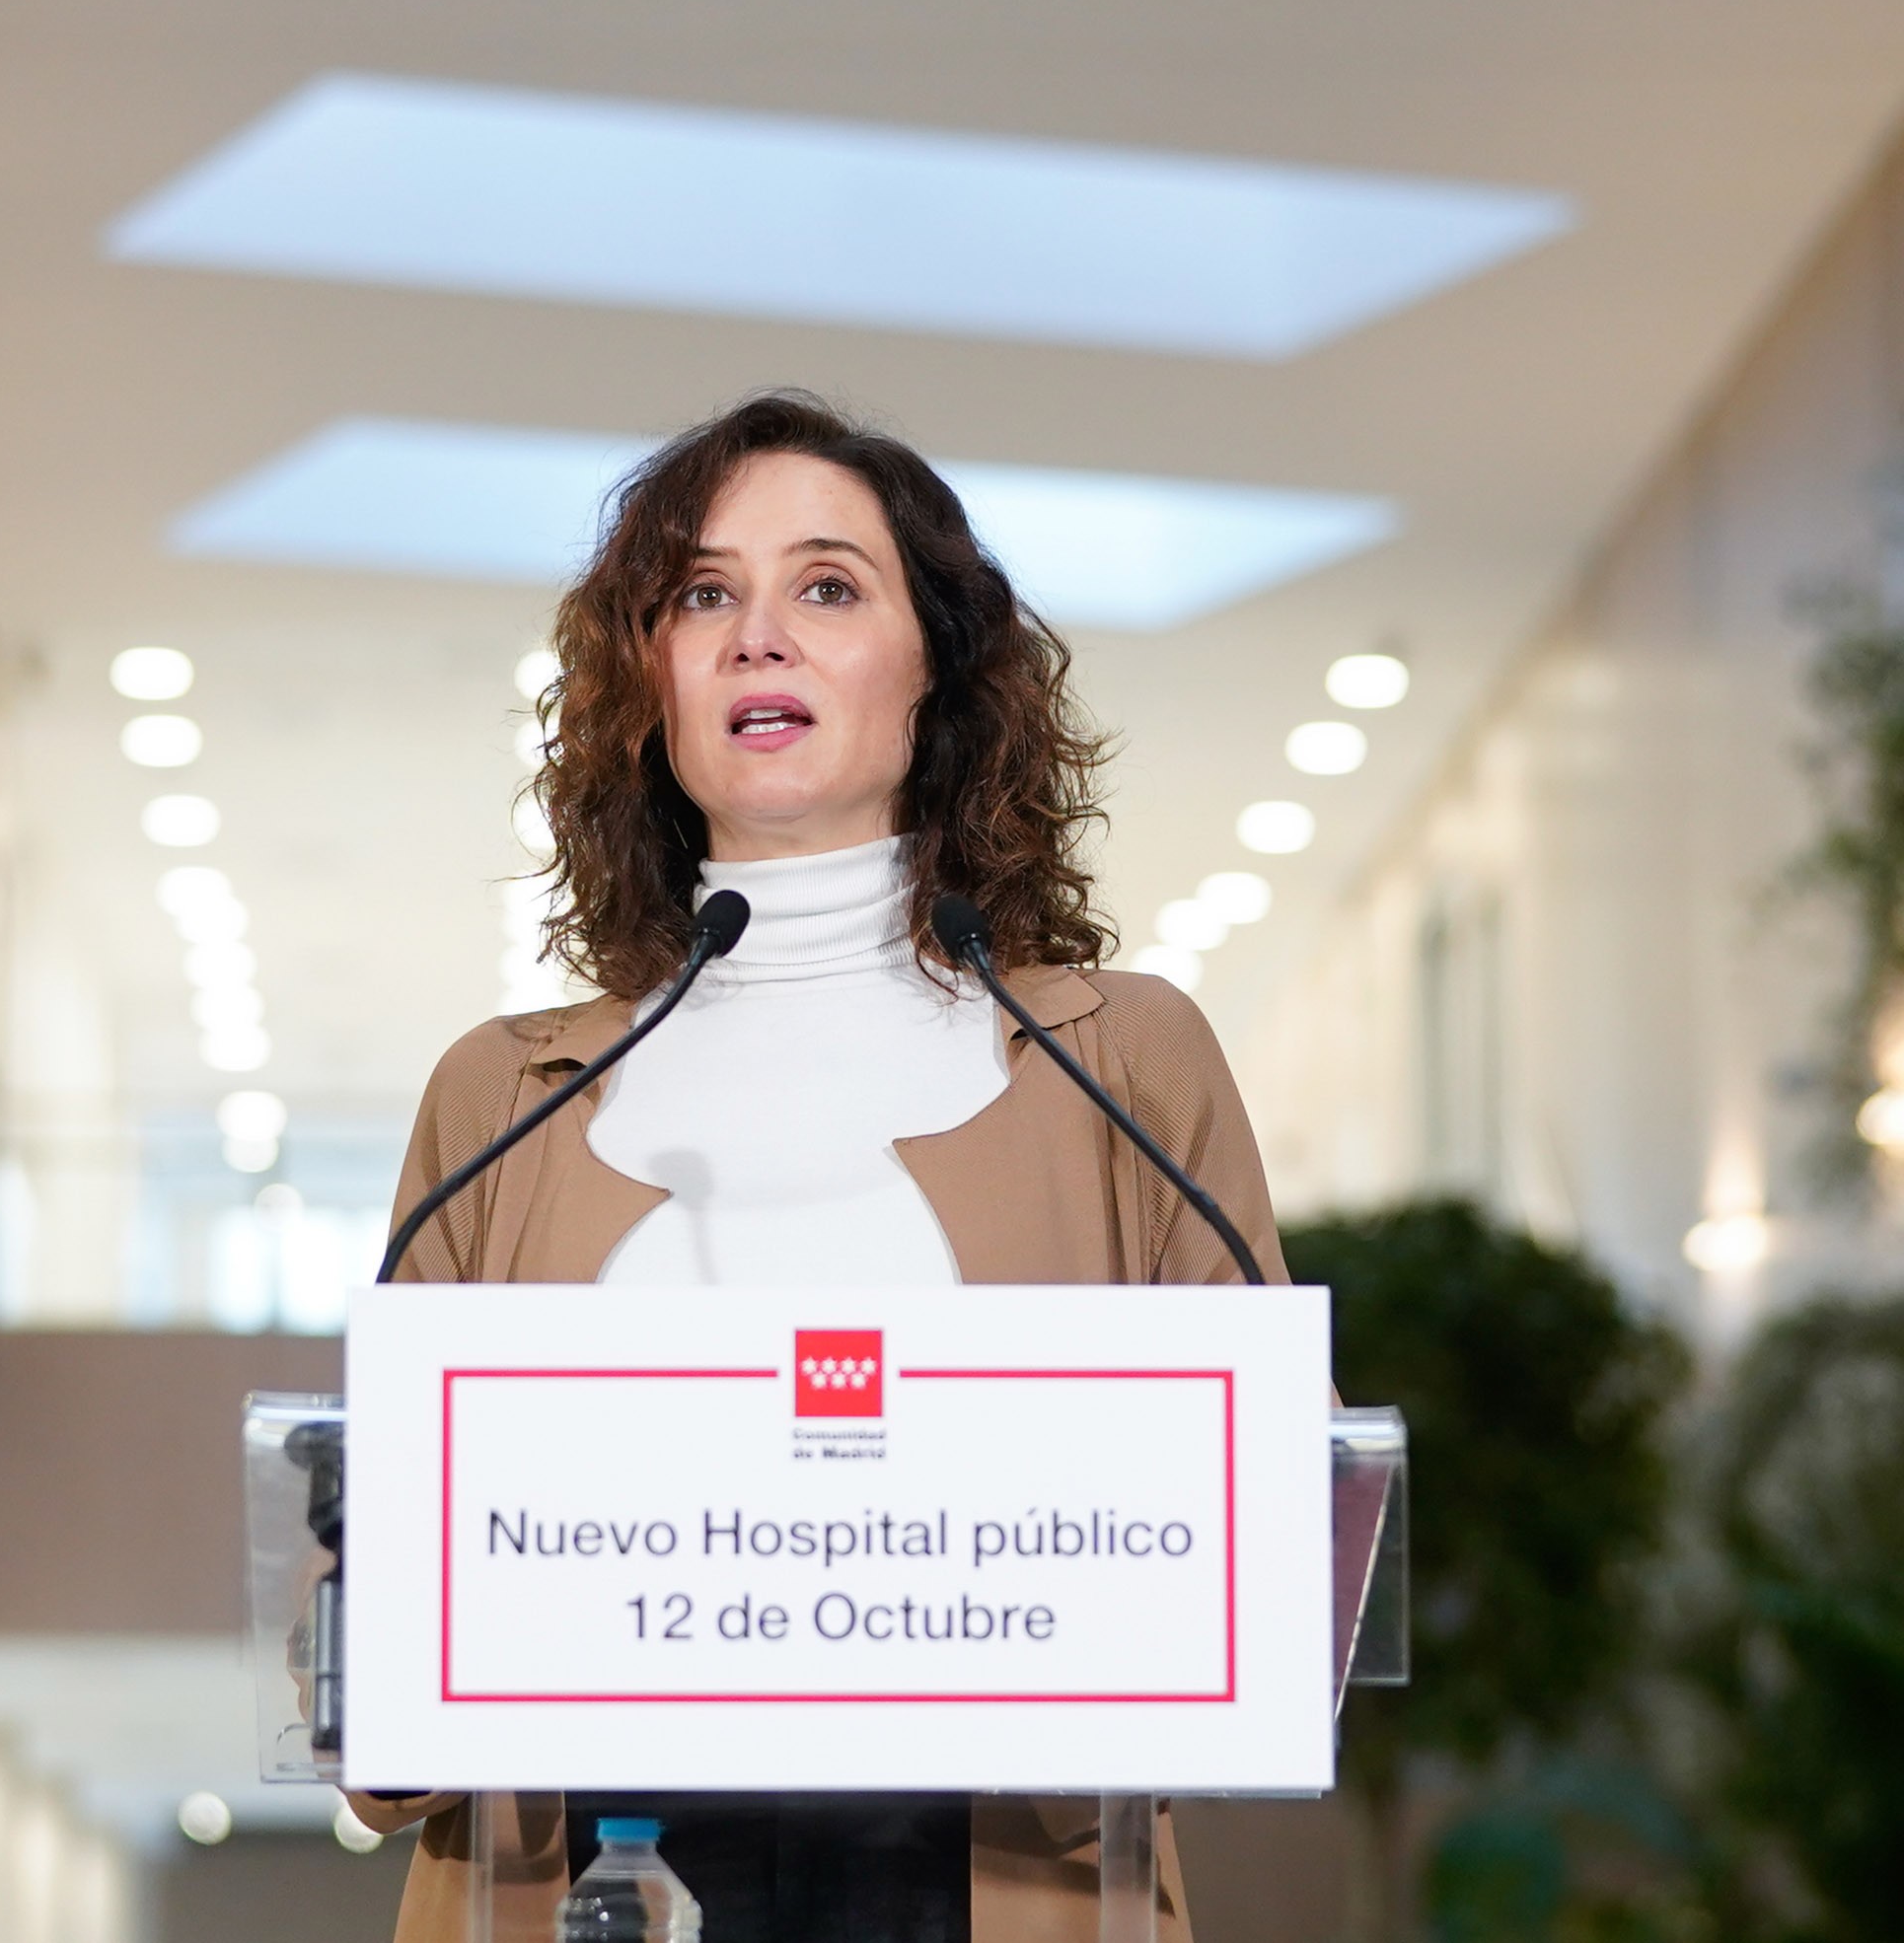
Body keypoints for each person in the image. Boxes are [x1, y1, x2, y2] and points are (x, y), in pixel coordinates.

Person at [348, 392, 1293, 1943]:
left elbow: (1274, 1526)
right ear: (646, 679)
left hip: (981, 1875)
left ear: (938, 667)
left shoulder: (1114, 1061)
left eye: (828, 586)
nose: (755, 636)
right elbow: (376, 1581)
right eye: (702, 594)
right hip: (593, 1869)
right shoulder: (498, 1095)